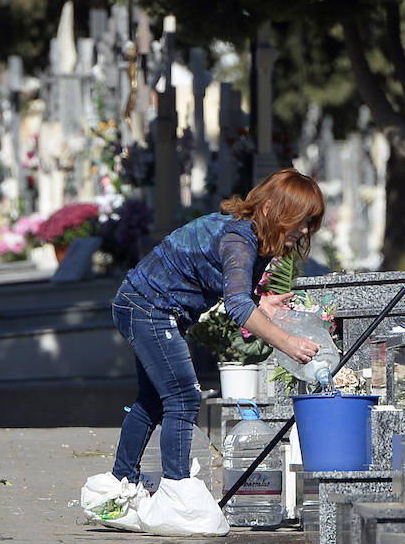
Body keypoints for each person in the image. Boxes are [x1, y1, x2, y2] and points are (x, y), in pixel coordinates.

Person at [81, 168, 326, 535]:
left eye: (311, 223)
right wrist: (287, 343)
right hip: (149, 308)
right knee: (182, 396)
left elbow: (237, 292)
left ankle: (120, 482)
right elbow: (238, 307)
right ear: (280, 212)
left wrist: (266, 304)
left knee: (153, 401)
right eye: (303, 221)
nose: (305, 231)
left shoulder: (252, 236)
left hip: (144, 304)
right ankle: (178, 493)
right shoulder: (239, 240)